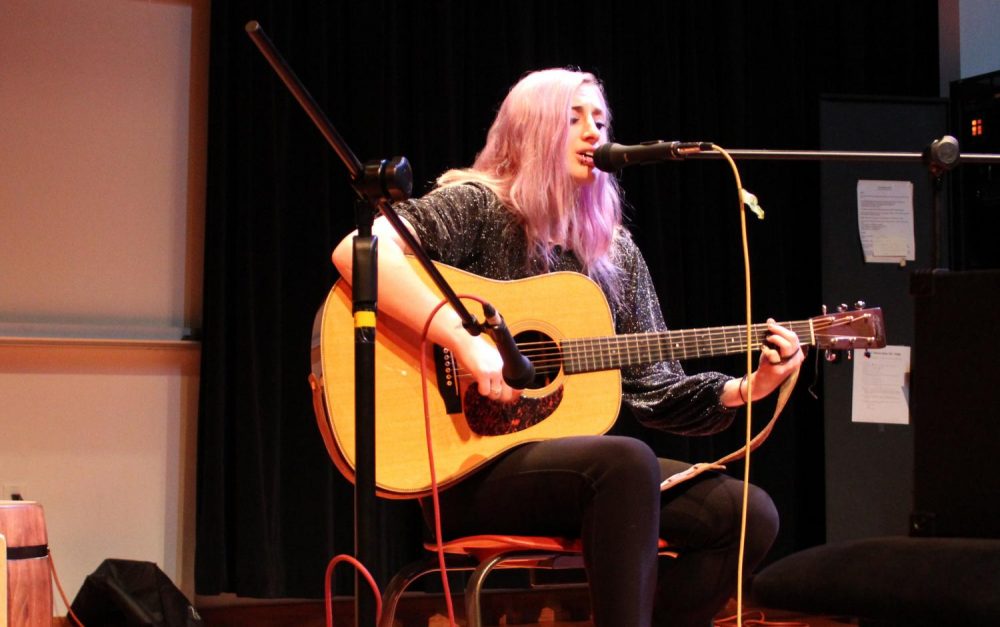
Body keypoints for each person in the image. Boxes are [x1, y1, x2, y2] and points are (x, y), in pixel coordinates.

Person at [332, 68, 804, 627]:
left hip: (574, 473)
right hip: (468, 466)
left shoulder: (614, 251)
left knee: (747, 512)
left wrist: (751, 386)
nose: (592, 133)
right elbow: (358, 252)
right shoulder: (477, 206)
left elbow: (656, 385)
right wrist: (462, 339)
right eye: (573, 118)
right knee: (626, 461)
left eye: (600, 121)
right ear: (530, 131)